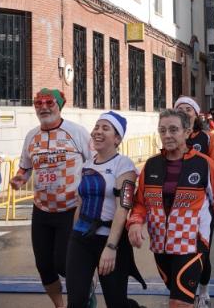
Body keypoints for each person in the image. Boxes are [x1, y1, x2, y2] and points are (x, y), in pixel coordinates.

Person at [128, 109, 214, 308]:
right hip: (160, 245)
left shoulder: (204, 165)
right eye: (162, 130)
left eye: (173, 130)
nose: (167, 135)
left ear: (187, 132)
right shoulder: (151, 165)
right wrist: (135, 222)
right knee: (178, 295)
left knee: (178, 302)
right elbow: (140, 203)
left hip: (193, 243)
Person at [10, 88, 92, 308]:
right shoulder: (31, 136)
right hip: (42, 210)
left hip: (71, 209)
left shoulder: (76, 132)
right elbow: (25, 167)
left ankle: (84, 292)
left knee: (64, 264)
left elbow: (95, 163)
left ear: (59, 106)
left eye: (49, 103)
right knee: (44, 267)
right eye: (38, 103)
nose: (43, 107)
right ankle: (59, 306)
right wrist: (19, 178)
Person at [65, 111, 144, 308]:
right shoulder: (86, 165)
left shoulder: (124, 165)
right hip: (81, 239)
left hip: (111, 240)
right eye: (96, 127)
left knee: (117, 304)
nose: (97, 132)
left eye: (105, 128)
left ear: (117, 139)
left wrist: (111, 247)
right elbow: (80, 204)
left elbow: (122, 209)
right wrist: (73, 237)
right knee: (76, 302)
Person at [174, 96, 214, 308]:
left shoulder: (207, 138)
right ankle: (182, 292)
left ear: (197, 115)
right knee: (178, 252)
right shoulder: (171, 137)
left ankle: (203, 290)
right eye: (180, 108)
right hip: (177, 207)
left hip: (203, 206)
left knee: (202, 252)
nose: (184, 111)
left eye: (189, 109)